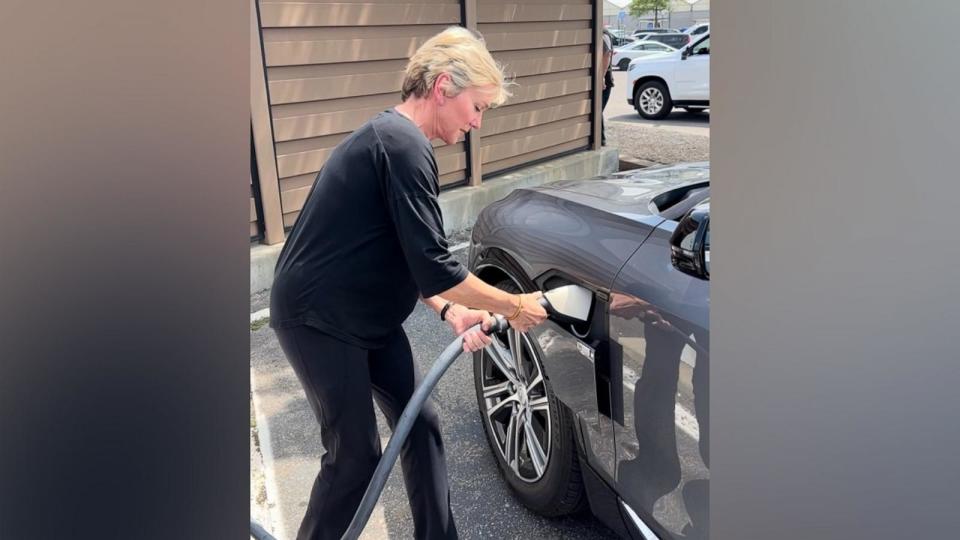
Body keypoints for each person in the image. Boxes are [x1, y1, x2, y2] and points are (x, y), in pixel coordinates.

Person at [269, 27, 548, 540]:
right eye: (477, 107)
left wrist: (451, 311)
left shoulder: (401, 144)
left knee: (420, 427)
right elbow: (437, 264)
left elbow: (411, 255)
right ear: (444, 86)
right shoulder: (401, 145)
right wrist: (513, 305)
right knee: (354, 457)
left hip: (369, 320)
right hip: (319, 319)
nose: (477, 122)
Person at [601, 29, 615, 146]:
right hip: (602, 81)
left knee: (597, 111)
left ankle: (601, 140)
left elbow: (607, 54)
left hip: (604, 83)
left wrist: (601, 76)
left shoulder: (603, 35)